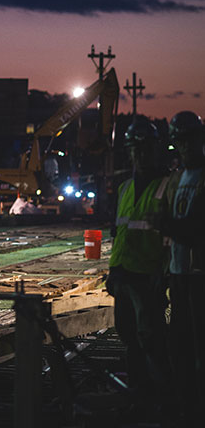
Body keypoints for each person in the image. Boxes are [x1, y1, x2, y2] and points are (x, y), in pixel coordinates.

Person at [106, 117, 172, 416]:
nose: (140, 154)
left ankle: (161, 400)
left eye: (144, 149)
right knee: (131, 339)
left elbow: (172, 238)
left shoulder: (167, 186)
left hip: (148, 276)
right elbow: (120, 232)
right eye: (135, 149)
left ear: (155, 149)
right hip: (124, 275)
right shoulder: (124, 188)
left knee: (151, 340)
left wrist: (165, 274)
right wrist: (113, 271)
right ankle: (140, 395)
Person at [159, 111, 205, 417]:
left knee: (196, 347)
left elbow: (195, 228)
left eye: (189, 140)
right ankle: (186, 406)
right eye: (180, 141)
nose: (184, 146)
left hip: (199, 275)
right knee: (180, 347)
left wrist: (167, 226)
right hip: (179, 274)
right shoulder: (177, 179)